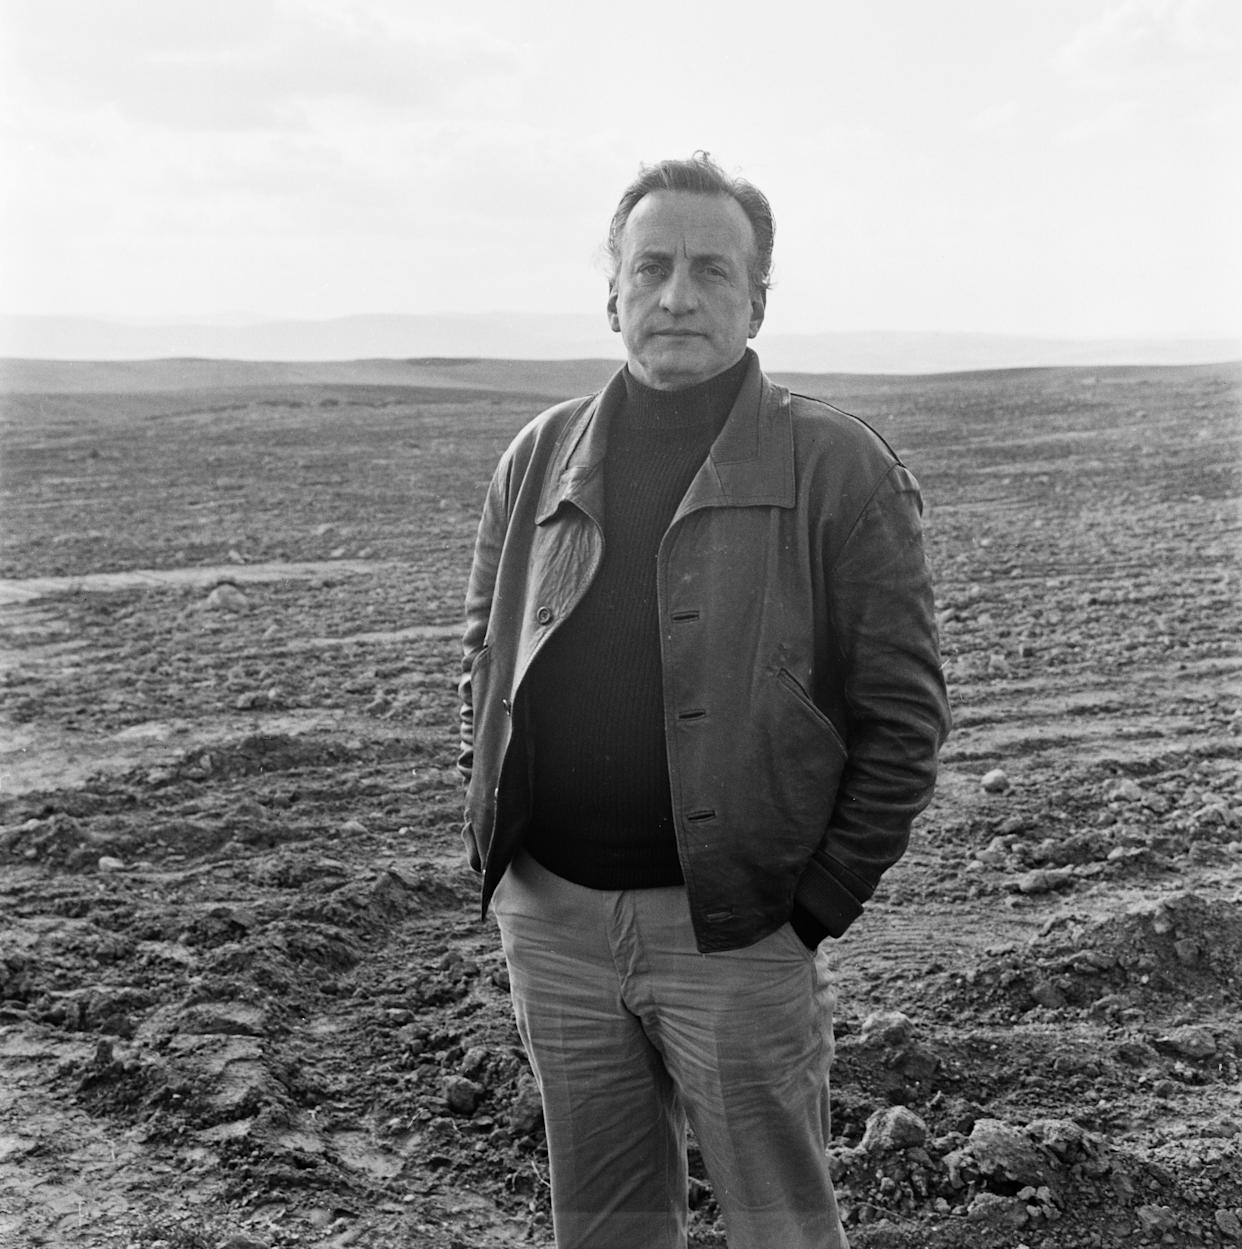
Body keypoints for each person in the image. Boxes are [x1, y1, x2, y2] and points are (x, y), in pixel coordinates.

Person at [457, 152, 951, 1249]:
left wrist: (813, 906)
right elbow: (485, 664)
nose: (677, 294)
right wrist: (506, 864)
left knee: (780, 1227)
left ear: (756, 298)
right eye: (654, 267)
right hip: (557, 925)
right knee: (605, 1231)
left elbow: (904, 718)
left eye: (711, 271)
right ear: (615, 292)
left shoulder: (837, 466)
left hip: (737, 933)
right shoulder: (537, 457)